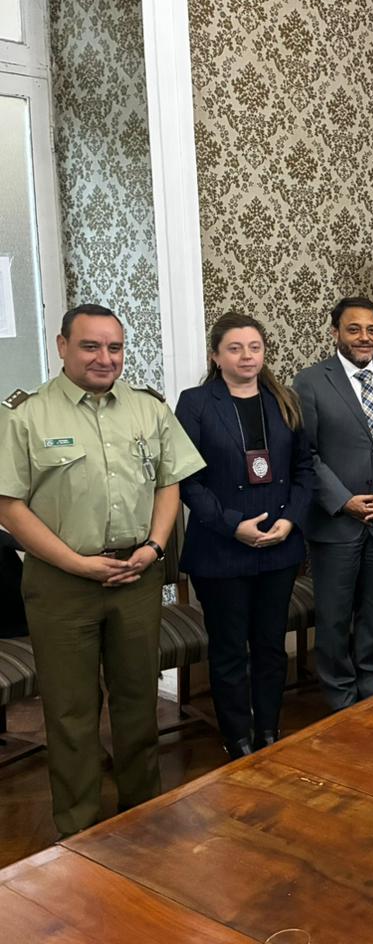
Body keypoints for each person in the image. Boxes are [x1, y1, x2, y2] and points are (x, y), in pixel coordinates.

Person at [0, 304, 203, 836]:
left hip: (136, 575)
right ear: (62, 346)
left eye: (114, 347)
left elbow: (168, 482)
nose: (104, 358)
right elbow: (9, 506)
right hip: (61, 582)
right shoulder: (24, 415)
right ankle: (79, 830)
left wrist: (156, 547)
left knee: (138, 700)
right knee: (71, 711)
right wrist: (77, 564)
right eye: (90, 346)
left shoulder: (148, 408)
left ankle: (142, 814)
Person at [175, 313, 314, 757]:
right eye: (234, 348)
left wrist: (291, 521)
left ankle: (268, 730)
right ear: (216, 356)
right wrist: (233, 524)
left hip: (279, 545)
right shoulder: (195, 403)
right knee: (230, 648)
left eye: (254, 347)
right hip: (221, 549)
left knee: (271, 646)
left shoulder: (285, 400)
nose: (246, 356)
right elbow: (188, 479)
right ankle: (237, 738)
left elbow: (304, 470)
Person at [293, 297, 373, 711]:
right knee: (333, 616)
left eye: (372, 330)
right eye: (354, 329)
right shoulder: (310, 382)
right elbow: (306, 454)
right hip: (337, 522)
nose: (365, 337)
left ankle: (371, 686)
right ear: (335, 333)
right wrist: (344, 501)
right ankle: (340, 698)